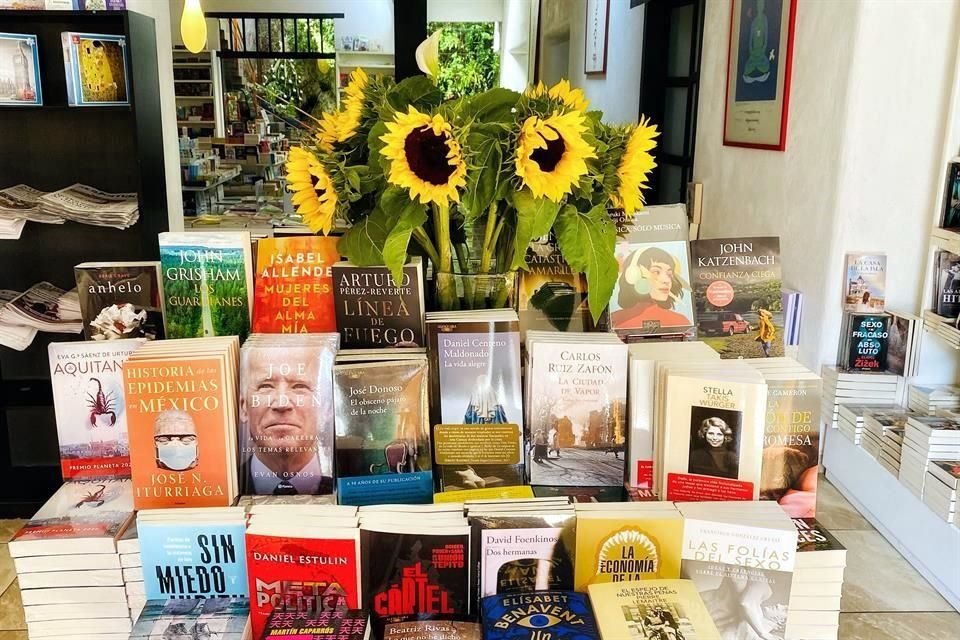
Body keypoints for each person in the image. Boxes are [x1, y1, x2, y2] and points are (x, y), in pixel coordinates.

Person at [239, 346, 333, 495]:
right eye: (266, 386)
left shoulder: (353, 482)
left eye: (299, 386)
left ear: (327, 407)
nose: (282, 404)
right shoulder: (224, 488)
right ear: (243, 406)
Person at [611, 247, 691, 330]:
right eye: (656, 272)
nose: (666, 280)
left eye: (669, 274)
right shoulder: (680, 322)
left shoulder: (613, 321)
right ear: (633, 276)